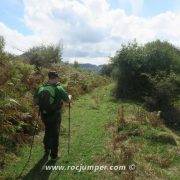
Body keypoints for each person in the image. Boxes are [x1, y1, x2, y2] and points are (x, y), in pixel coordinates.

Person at [34, 71, 71, 160]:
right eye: (58, 78)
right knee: (55, 133)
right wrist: (70, 96)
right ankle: (54, 155)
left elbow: (35, 101)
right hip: (55, 114)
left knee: (47, 131)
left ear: (49, 78)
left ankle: (46, 151)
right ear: (56, 78)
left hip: (44, 114)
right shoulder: (58, 88)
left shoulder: (41, 87)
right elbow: (67, 100)